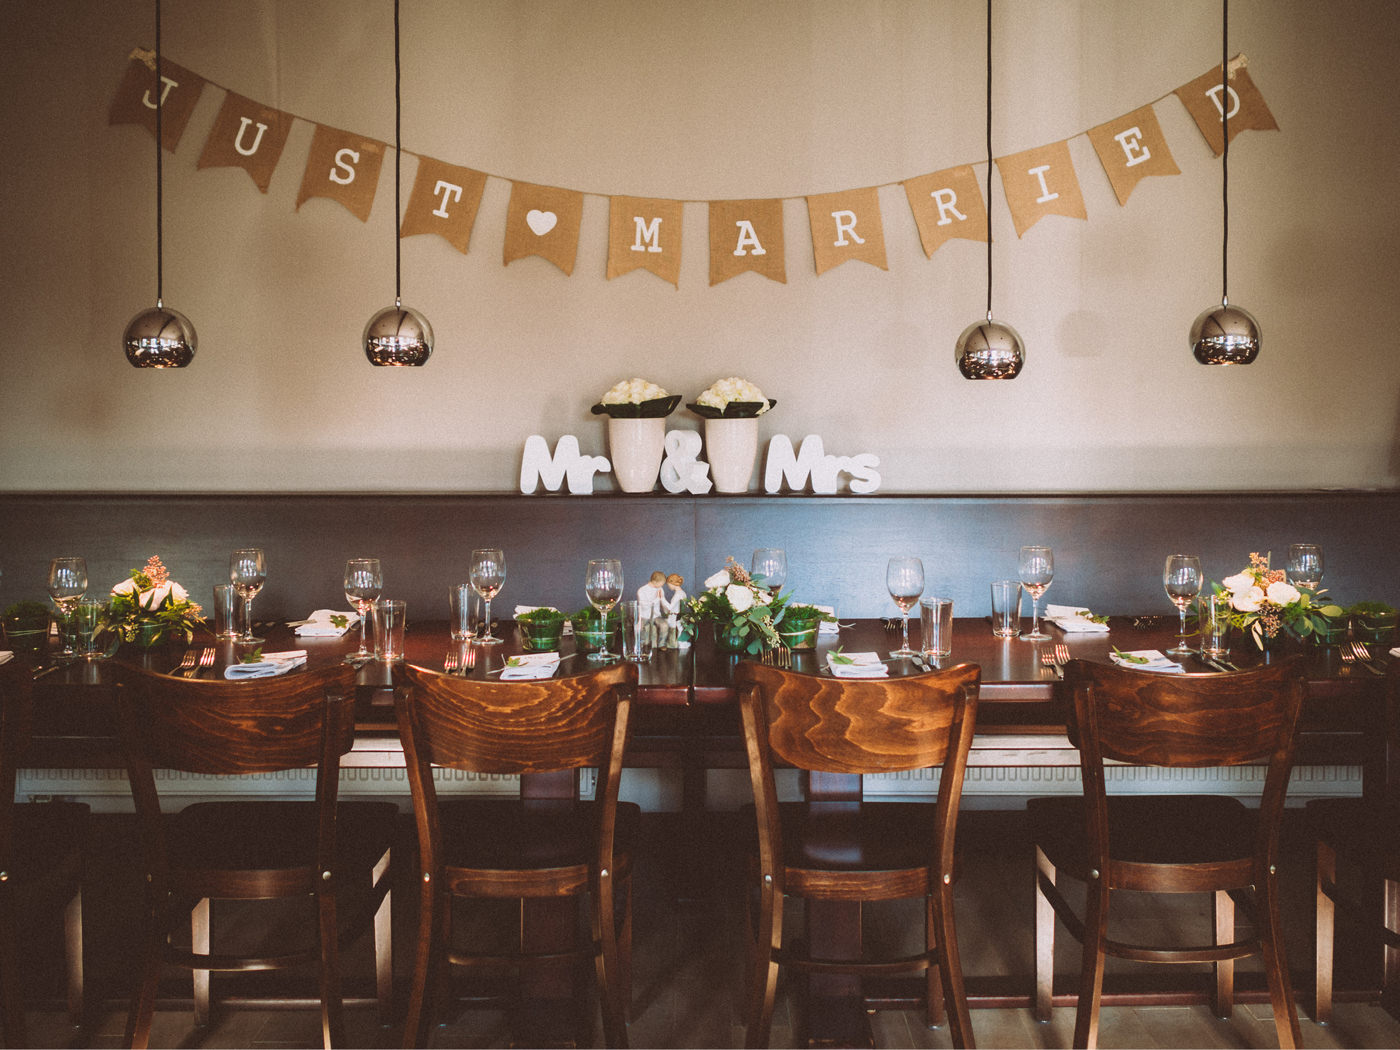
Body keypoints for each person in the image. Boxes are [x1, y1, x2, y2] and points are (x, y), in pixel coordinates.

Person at [637, 571, 666, 647]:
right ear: (655, 581)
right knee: (640, 628)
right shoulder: (642, 590)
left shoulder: (660, 589)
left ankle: (661, 644)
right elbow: (645, 606)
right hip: (644, 616)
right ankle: (642, 644)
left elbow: (662, 601)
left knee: (664, 625)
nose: (662, 585)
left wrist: (667, 610)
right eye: (661, 583)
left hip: (656, 616)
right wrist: (657, 599)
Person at [660, 573, 687, 648]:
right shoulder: (683, 593)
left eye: (668, 585)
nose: (668, 587)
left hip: (674, 617)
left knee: (667, 628)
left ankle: (670, 644)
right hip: (679, 616)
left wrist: (662, 598)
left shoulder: (678, 594)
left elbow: (670, 607)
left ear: (672, 583)